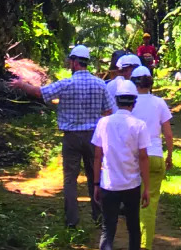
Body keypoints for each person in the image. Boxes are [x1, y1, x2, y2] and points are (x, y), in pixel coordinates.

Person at [11, 45, 116, 228]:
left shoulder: (66, 84)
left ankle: (71, 220)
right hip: (94, 136)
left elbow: (39, 92)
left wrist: (21, 85)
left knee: (70, 179)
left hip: (71, 138)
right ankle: (98, 216)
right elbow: (109, 110)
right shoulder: (100, 84)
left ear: (75, 63)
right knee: (95, 176)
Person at [91, 80, 152, 250]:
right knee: (134, 228)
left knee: (108, 230)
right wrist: (147, 187)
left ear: (116, 101)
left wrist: (96, 183)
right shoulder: (139, 125)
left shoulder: (104, 123)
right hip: (131, 185)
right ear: (133, 103)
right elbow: (144, 158)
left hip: (108, 184)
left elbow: (98, 155)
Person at [129, 66, 173, 250]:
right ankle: (144, 248)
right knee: (150, 203)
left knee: (133, 202)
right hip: (155, 156)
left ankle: (134, 244)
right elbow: (168, 134)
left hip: (134, 158)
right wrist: (170, 156)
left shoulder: (129, 104)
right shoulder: (159, 103)